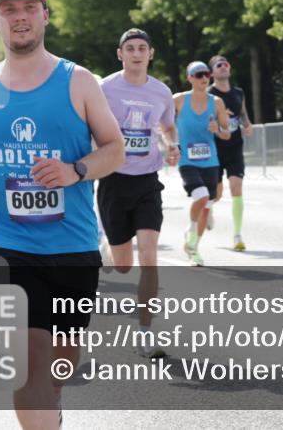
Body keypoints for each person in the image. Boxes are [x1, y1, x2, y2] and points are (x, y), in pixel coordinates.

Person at [0, 0, 124, 429]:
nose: (20, 17)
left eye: (29, 7)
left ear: (45, 16)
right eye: (9, 10)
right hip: (8, 244)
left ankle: (52, 397)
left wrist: (75, 170)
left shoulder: (78, 80)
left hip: (73, 246)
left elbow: (114, 149)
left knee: (60, 360)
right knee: (28, 362)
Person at [99, 28, 180, 357]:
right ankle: (107, 249)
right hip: (113, 180)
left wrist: (172, 145)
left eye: (141, 48)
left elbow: (168, 126)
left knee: (149, 256)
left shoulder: (161, 92)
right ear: (120, 54)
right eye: (130, 48)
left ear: (151, 54)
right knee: (122, 266)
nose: (136, 53)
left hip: (147, 180)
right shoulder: (104, 88)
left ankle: (146, 333)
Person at [175, 61, 231, 266]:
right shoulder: (178, 100)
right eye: (198, 75)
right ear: (189, 78)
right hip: (187, 160)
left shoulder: (216, 102)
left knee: (207, 207)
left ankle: (194, 248)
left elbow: (227, 134)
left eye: (206, 74)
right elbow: (164, 125)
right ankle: (190, 230)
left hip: (210, 161)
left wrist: (217, 129)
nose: (204, 78)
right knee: (202, 196)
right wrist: (170, 145)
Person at [207, 55, 254, 251]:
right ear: (212, 73)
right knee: (216, 194)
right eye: (219, 65)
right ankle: (208, 207)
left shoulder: (238, 93)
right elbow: (205, 119)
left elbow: (242, 113)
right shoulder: (209, 95)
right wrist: (219, 122)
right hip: (215, 149)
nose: (223, 67)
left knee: (236, 187)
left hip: (235, 147)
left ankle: (237, 235)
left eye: (226, 64)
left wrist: (247, 124)